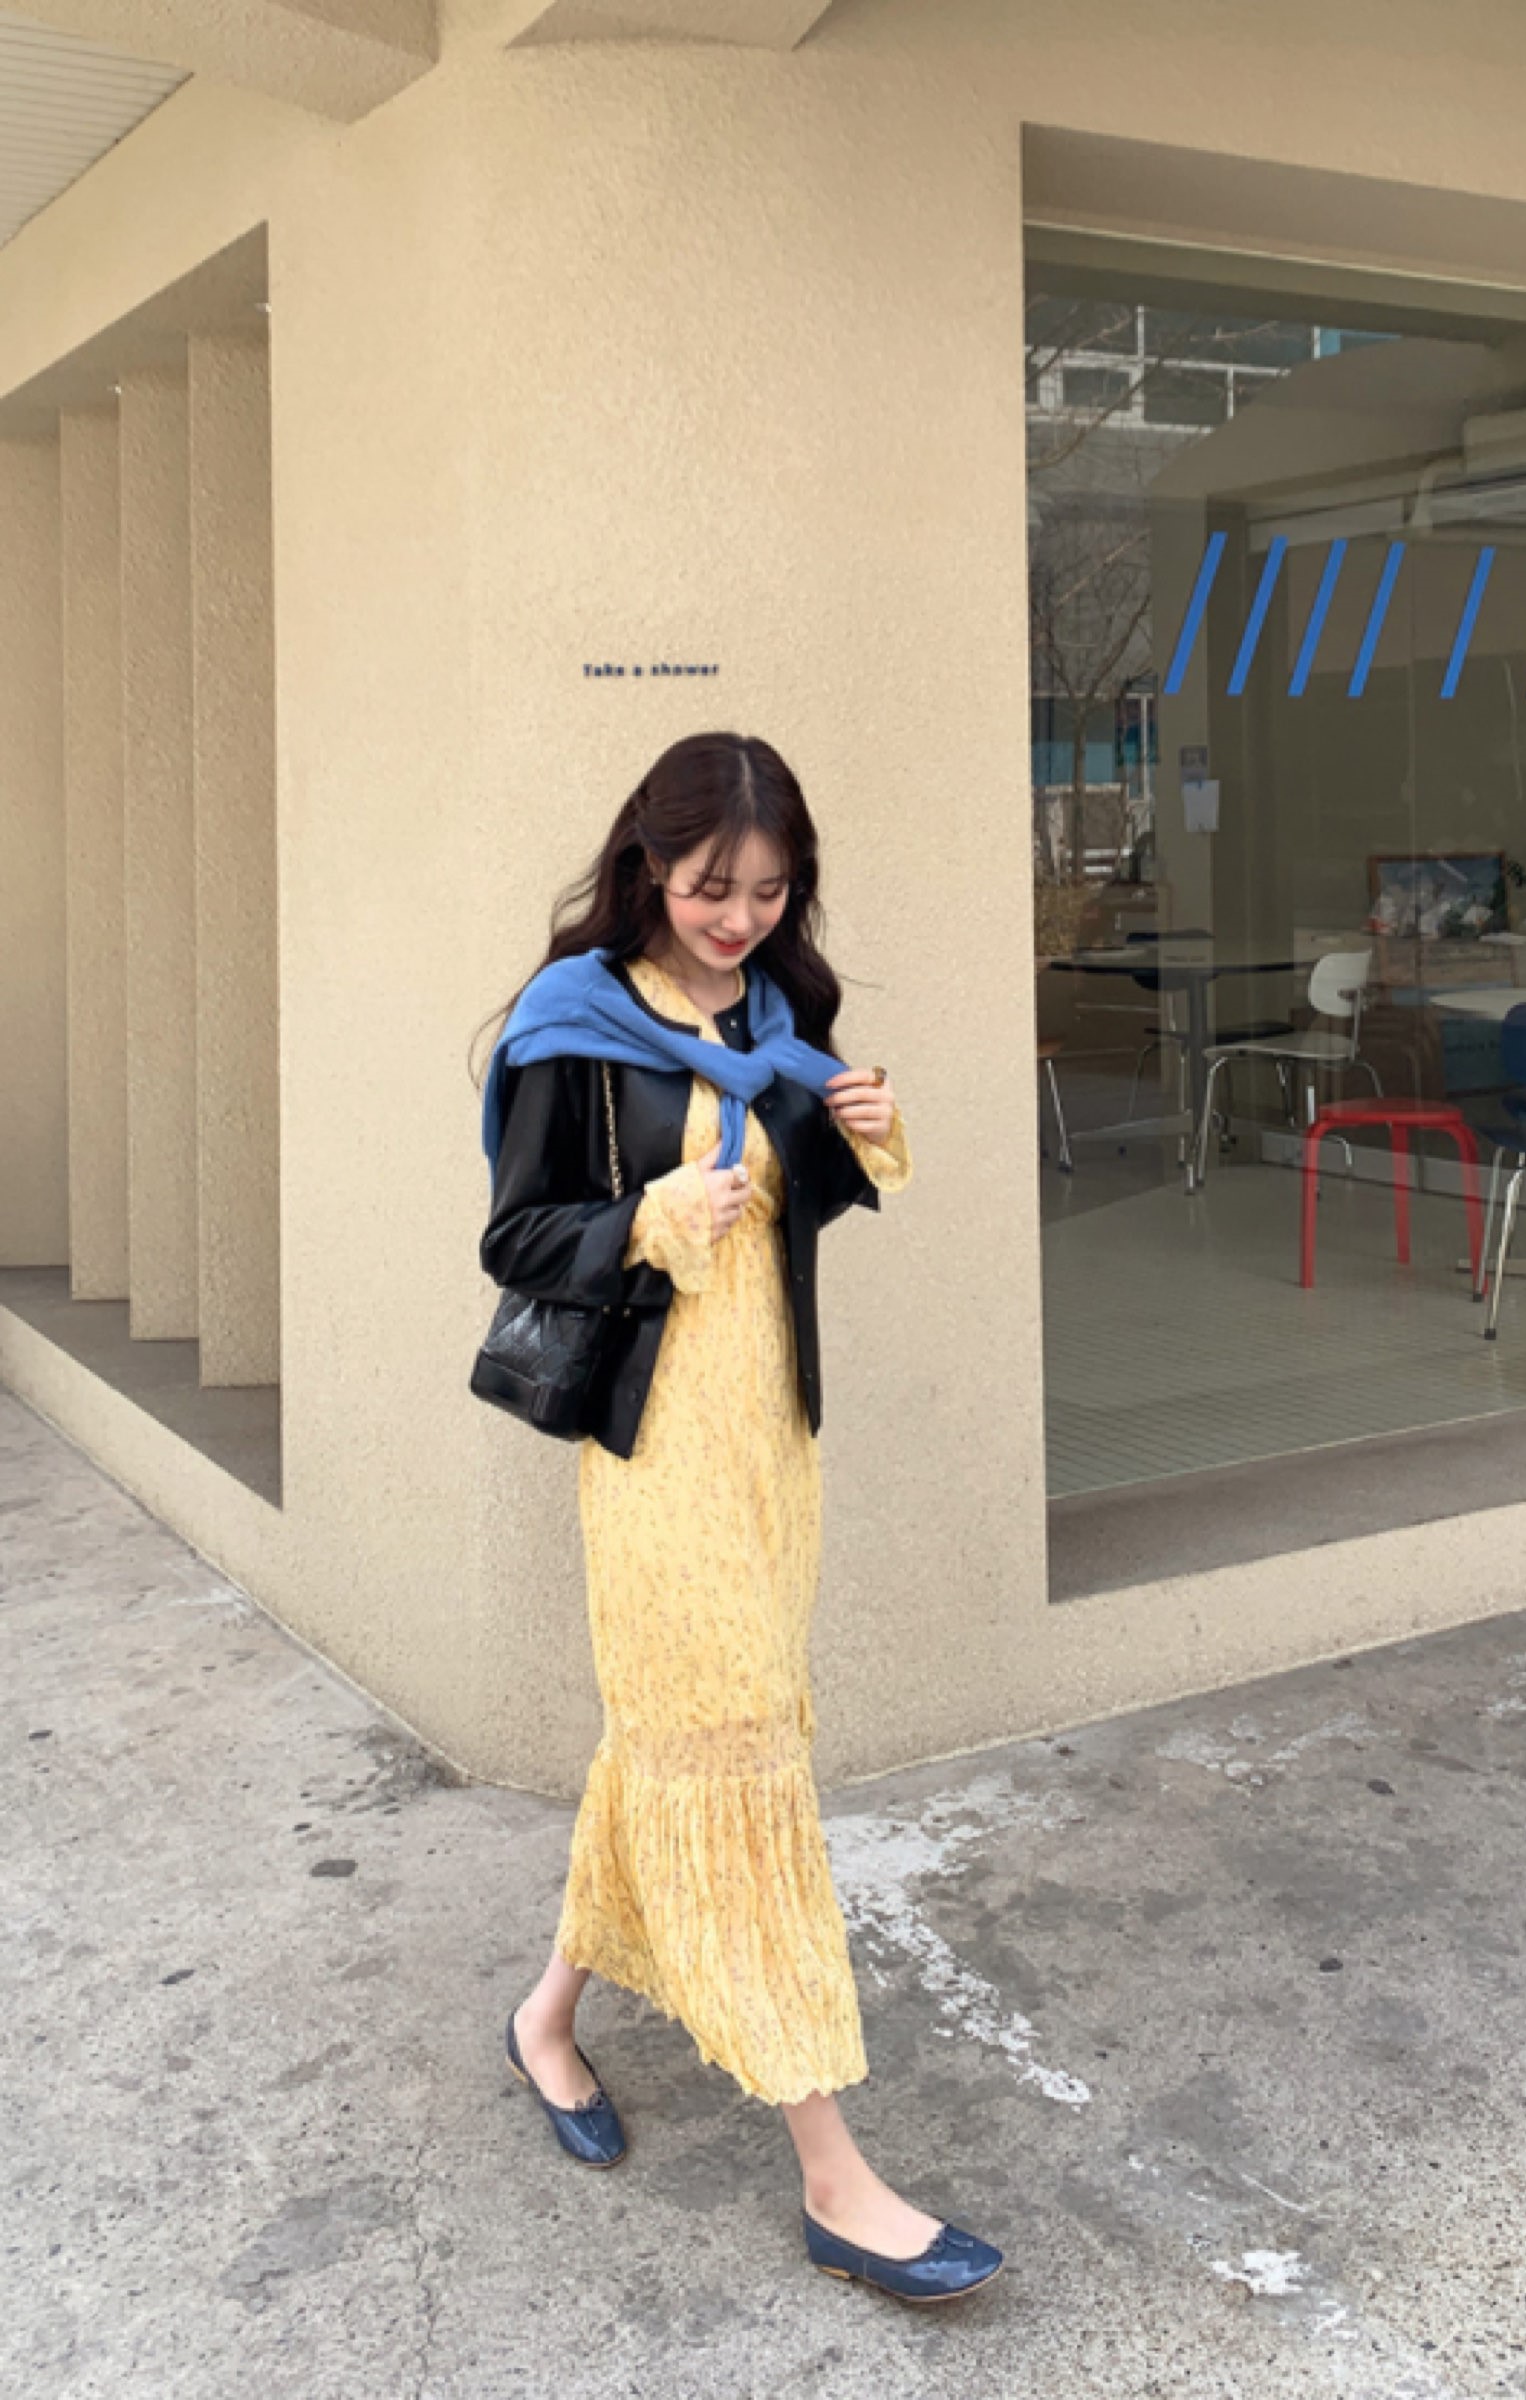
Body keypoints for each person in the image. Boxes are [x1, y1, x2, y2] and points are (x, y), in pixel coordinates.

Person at [471, 731, 1004, 2304]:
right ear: (650, 864)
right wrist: (644, 1218)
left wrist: (860, 1127)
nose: (739, 919)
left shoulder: (778, 1015)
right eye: (714, 887)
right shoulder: (573, 1026)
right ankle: (835, 2174)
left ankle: (546, 2020)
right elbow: (518, 1236)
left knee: (678, 1740)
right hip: (657, 1463)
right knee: (738, 1755)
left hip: (770, 1438)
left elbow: (795, 1199)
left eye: (768, 893)